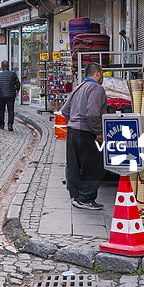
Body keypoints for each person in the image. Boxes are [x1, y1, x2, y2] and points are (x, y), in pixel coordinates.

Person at [62, 62, 107, 210]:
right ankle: (86, 198)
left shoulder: (78, 87)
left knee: (75, 165)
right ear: (97, 73)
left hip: (72, 131)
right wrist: (98, 131)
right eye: (102, 74)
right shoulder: (96, 88)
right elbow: (93, 113)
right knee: (93, 166)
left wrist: (74, 120)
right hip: (86, 132)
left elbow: (65, 110)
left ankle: (76, 197)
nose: (102, 77)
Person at [0, 60, 21, 131]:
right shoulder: (13, 74)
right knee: (11, 110)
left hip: (1, 95)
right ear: (8, 66)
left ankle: (2, 124)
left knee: (1, 110)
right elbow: (18, 83)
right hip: (11, 95)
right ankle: (10, 124)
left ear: (2, 66)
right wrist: (17, 90)